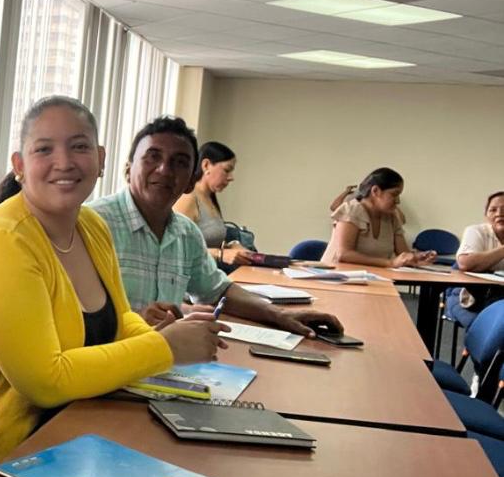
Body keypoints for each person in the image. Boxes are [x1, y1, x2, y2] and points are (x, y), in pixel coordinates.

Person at [0, 97, 225, 465]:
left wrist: (170, 337)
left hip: (87, 431)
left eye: (79, 147)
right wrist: (166, 348)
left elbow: (121, 319)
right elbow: (45, 382)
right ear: (19, 165)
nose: (64, 162)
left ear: (100, 159)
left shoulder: (91, 225)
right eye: (44, 149)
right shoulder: (1, 241)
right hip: (18, 457)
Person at [90, 115, 343, 337]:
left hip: (164, 358)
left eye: (180, 162)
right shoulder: (92, 223)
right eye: (152, 157)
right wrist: (131, 322)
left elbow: (218, 291)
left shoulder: (186, 234)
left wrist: (279, 315)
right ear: (127, 170)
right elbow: (72, 315)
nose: (165, 169)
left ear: (190, 182)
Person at [321, 167, 435, 268]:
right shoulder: (351, 210)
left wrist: (416, 258)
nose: (397, 201)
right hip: (336, 277)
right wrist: (390, 263)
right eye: (394, 194)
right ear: (375, 191)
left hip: (371, 278)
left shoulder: (392, 217)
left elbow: (403, 253)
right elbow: (344, 254)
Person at [174, 140, 252, 267]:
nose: (231, 177)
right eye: (227, 170)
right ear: (206, 165)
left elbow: (208, 242)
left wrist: (232, 246)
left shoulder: (210, 198)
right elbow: (178, 248)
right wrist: (220, 254)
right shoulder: (188, 198)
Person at [449, 190, 504, 323]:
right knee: (489, 326)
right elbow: (465, 263)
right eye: (493, 210)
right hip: (469, 295)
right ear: (486, 215)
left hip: (499, 296)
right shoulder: (476, 231)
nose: (499, 214)